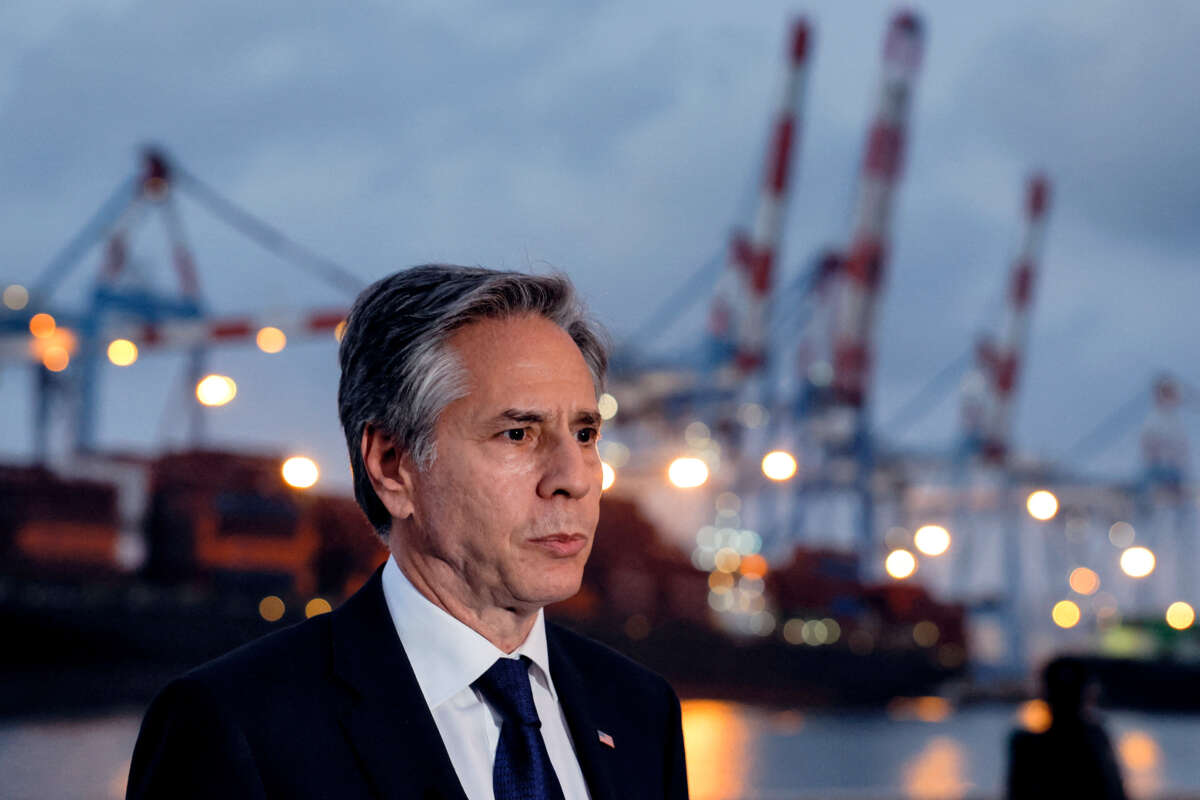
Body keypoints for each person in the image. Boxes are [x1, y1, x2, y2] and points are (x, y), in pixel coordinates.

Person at [126, 265, 690, 800]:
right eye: (518, 434)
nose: (574, 478)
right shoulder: (231, 725)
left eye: (586, 433)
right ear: (393, 467)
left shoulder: (641, 711)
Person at [1006, 656, 1126, 800]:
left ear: (1044, 694)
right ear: (1087, 695)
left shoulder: (1025, 745)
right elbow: (1114, 792)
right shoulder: (1096, 740)